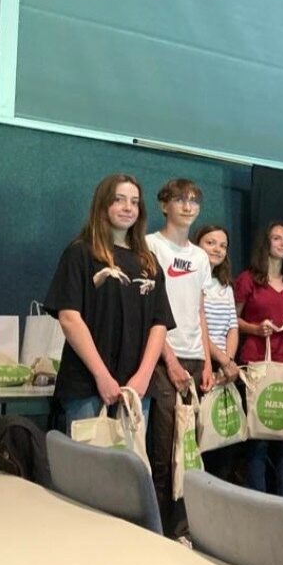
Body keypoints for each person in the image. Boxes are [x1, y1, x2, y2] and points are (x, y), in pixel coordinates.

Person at [45, 173, 172, 431]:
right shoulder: (80, 253)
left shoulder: (149, 262)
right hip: (87, 385)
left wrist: (144, 377)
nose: (128, 208)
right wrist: (101, 376)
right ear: (103, 205)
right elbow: (69, 318)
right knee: (89, 468)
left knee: (129, 468)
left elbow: (159, 325)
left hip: (136, 388)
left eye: (134, 202)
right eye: (119, 200)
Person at [146, 178, 214, 537]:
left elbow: (200, 310)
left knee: (189, 449)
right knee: (163, 448)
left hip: (194, 359)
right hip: (162, 358)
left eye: (193, 200)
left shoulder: (201, 256)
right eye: (179, 200)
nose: (187, 206)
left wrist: (205, 361)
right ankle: (158, 527)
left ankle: (184, 527)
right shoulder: (150, 247)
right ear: (163, 205)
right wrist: (169, 361)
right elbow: (151, 312)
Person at [234, 221, 283, 497]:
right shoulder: (248, 279)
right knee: (259, 439)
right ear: (266, 243)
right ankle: (258, 501)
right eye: (277, 238)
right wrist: (254, 328)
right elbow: (233, 319)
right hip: (257, 365)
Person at [194, 224, 241, 481]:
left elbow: (232, 326)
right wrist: (221, 360)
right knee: (201, 440)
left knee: (225, 442)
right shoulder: (193, 282)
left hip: (225, 370)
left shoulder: (225, 285)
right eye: (211, 243)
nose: (217, 249)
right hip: (203, 366)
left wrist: (229, 361)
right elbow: (197, 325)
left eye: (223, 245)